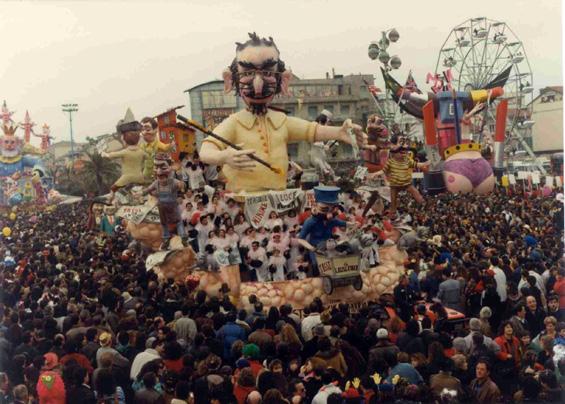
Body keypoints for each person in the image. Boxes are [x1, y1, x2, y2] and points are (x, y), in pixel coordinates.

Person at [199, 32, 367, 193]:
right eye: (248, 73)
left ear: (283, 80)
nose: (258, 85)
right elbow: (205, 151)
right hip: (243, 200)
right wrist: (224, 157)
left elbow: (312, 130)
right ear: (231, 79)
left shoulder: (281, 121)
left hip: (278, 198)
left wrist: (339, 132)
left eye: (267, 73)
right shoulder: (234, 123)